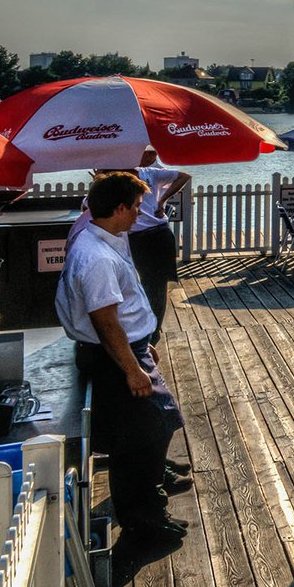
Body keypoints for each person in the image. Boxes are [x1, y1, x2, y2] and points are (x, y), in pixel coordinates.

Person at [56, 172, 190, 546]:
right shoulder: (97, 256)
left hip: (129, 349)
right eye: (134, 207)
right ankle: (143, 519)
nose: (138, 214)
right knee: (144, 435)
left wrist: (143, 342)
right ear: (118, 208)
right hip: (115, 357)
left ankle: (146, 507)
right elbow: (104, 319)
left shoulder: (101, 240)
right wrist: (132, 367)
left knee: (145, 433)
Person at [127, 146, 190, 345]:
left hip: (156, 235)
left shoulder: (149, 174)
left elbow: (184, 176)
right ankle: (142, 332)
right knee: (135, 286)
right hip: (131, 238)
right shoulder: (118, 179)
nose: (153, 156)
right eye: (148, 152)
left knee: (155, 287)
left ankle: (152, 335)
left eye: (154, 152)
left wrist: (162, 199)